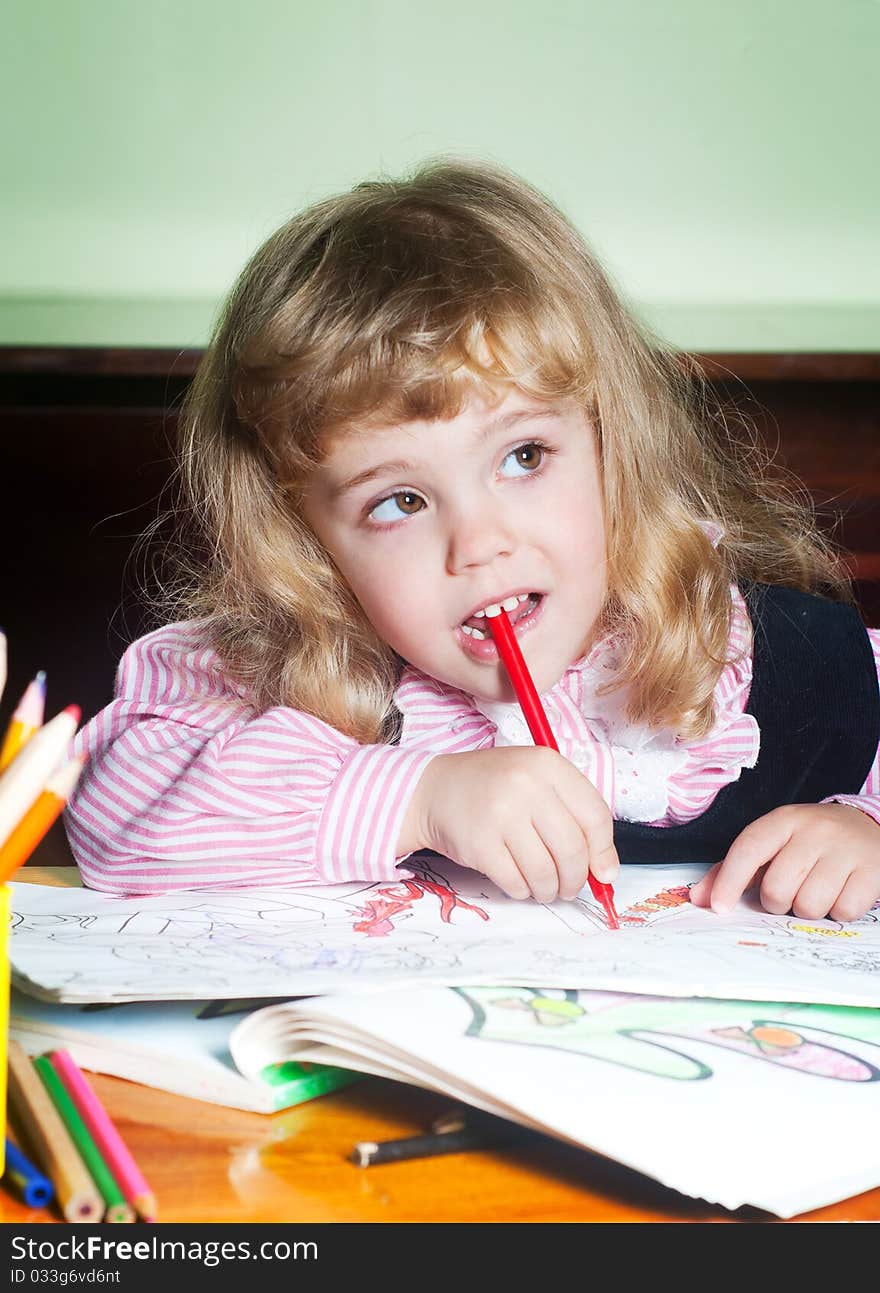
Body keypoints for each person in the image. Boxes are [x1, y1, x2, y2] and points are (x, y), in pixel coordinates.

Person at [64, 158, 880, 921]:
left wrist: (868, 833)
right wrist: (416, 798)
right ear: (305, 540)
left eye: (524, 457)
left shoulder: (768, 654)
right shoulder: (286, 674)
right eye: (400, 500)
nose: (479, 544)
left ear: (612, 444)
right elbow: (112, 814)